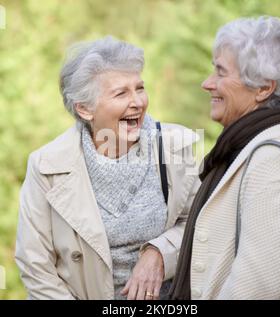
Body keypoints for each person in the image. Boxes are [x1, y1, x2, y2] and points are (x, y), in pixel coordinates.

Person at [15, 36, 200, 300]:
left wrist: (160, 252)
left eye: (139, 88)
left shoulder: (174, 148)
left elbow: (200, 226)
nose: (137, 101)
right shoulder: (47, 167)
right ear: (85, 109)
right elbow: (35, 265)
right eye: (121, 93)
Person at [170, 16, 280, 300]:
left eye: (220, 72)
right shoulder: (243, 146)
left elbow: (256, 284)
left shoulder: (270, 158)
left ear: (264, 88)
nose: (207, 83)